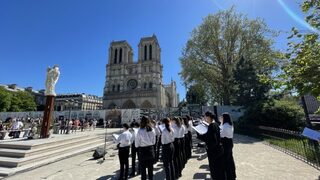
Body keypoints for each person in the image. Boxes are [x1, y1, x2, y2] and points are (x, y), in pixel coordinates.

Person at [198, 111, 225, 180]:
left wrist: (200, 136)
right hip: (219, 149)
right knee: (219, 168)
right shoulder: (215, 124)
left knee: (214, 169)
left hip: (214, 151)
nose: (204, 118)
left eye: (205, 116)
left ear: (208, 117)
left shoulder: (211, 126)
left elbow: (212, 139)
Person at [220, 113, 236, 180]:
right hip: (230, 142)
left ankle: (229, 176)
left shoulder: (225, 126)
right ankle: (232, 174)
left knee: (226, 160)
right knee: (230, 159)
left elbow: (221, 135)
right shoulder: (229, 125)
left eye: (222, 117)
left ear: (224, 118)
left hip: (225, 143)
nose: (221, 118)